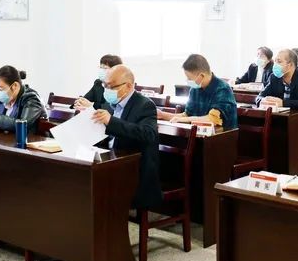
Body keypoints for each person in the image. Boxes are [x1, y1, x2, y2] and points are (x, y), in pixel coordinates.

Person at [91, 65, 161, 210]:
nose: (107, 90)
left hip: (132, 168)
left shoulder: (145, 105)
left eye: (112, 86)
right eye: (105, 86)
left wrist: (111, 121)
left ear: (128, 86)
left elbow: (148, 134)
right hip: (110, 162)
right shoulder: (110, 104)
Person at [256, 49, 298, 148]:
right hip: (282, 124)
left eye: (279, 61)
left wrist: (282, 103)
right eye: (275, 61)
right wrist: (263, 100)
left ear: (290, 65)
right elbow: (259, 97)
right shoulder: (274, 77)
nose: (275, 65)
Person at [158, 54, 238, 130]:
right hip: (199, 134)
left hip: (222, 136)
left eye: (189, 78)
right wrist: (162, 115)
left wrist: (181, 119)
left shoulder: (222, 89)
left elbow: (212, 119)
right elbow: (187, 115)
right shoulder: (195, 89)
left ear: (201, 76)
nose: (188, 81)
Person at [0, 66, 46, 134]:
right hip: (7, 140)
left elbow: (23, 124)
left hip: (29, 142)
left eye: (0, 89)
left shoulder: (31, 98)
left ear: (15, 86)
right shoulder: (5, 98)